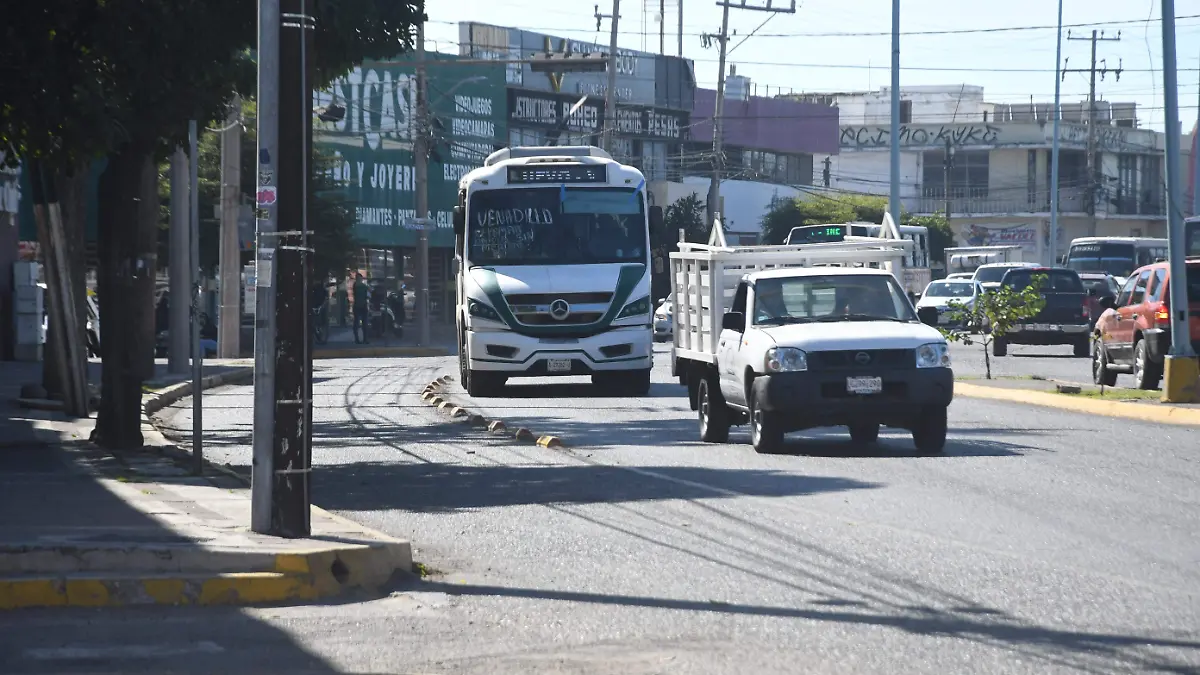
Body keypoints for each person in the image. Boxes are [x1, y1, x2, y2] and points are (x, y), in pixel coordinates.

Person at [352, 273, 370, 344]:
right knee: (358, 323)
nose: (359, 280)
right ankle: (359, 339)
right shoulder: (358, 285)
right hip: (358, 306)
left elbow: (368, 293)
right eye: (359, 278)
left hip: (362, 306)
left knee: (363, 323)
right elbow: (369, 290)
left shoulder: (358, 285)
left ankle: (363, 339)